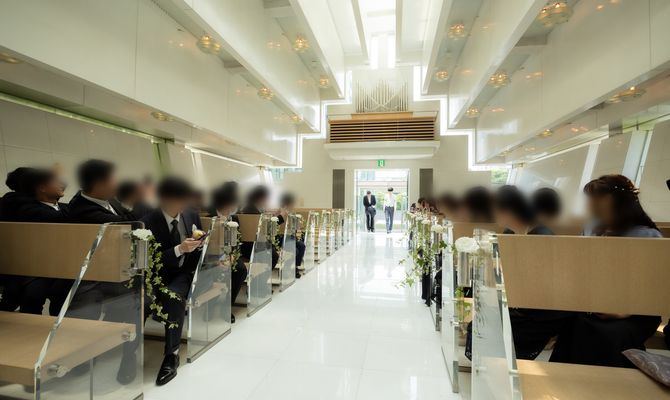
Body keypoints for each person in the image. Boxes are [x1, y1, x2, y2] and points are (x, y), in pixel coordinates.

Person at [550, 175, 663, 368]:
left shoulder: (647, 236)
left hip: (635, 310)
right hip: (595, 304)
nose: (591, 204)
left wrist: (624, 312)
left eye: (598, 199)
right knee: (572, 322)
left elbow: (655, 287)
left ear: (619, 202)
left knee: (610, 333)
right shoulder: (592, 228)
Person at [135, 177, 204, 386]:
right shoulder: (146, 222)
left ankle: (171, 354)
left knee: (173, 297)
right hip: (155, 275)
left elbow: (199, 246)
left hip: (183, 273)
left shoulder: (191, 215)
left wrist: (200, 246)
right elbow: (147, 261)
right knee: (142, 303)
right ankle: (129, 355)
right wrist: (179, 249)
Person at [0, 168, 69, 315]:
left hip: (51, 266)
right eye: (53, 181)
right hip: (28, 268)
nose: (61, 183)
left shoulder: (58, 207)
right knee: (31, 299)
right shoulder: (22, 207)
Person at [209, 182, 247, 322]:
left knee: (240, 269)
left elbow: (237, 241)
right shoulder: (210, 217)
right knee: (212, 270)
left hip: (229, 256)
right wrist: (217, 260)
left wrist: (232, 257)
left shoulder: (234, 218)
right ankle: (210, 306)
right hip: (211, 257)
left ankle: (227, 306)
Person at [68, 159, 132, 223]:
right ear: (98, 185)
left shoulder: (108, 198)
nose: (117, 184)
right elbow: (128, 222)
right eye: (113, 180)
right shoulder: (84, 211)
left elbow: (127, 214)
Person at [239, 185, 284, 266]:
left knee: (273, 251)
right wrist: (280, 217)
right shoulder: (250, 210)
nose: (267, 200)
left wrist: (275, 216)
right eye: (267, 198)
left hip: (256, 242)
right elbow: (264, 228)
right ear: (261, 198)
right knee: (273, 255)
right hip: (250, 245)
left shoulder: (255, 207)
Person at [280, 193, 305, 277]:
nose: (293, 205)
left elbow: (295, 228)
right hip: (281, 238)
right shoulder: (280, 212)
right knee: (295, 250)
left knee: (301, 245)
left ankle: (295, 267)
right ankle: (287, 268)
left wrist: (298, 226)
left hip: (290, 237)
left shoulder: (292, 213)